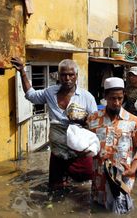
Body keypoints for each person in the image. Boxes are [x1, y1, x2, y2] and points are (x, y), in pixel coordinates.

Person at [10, 57, 97, 189]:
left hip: (79, 153)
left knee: (85, 185)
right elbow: (30, 95)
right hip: (58, 152)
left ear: (76, 76)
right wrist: (22, 71)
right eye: (63, 75)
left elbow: (96, 124)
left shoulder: (87, 97)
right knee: (55, 188)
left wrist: (82, 120)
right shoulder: (50, 92)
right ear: (58, 76)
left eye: (71, 75)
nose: (67, 78)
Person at [87, 77, 137, 213]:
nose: (116, 103)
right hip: (99, 179)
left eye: (120, 98)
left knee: (121, 211)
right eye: (112, 98)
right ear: (105, 97)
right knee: (98, 210)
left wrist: (133, 168)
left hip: (123, 179)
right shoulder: (93, 119)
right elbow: (86, 145)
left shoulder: (134, 121)